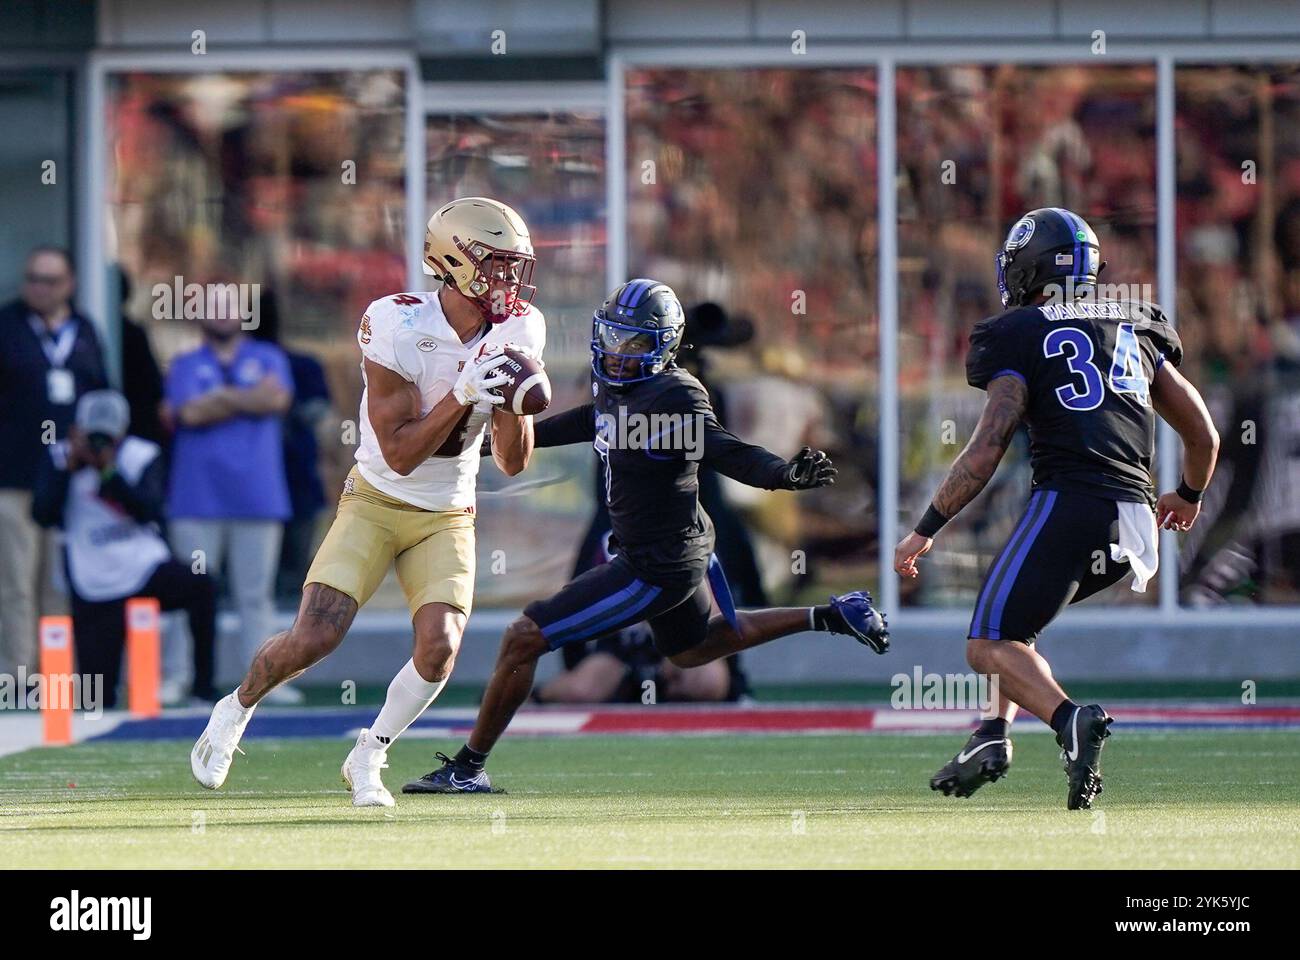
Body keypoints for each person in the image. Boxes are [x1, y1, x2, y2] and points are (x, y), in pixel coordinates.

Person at [403, 278, 890, 794]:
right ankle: (831, 614)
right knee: (692, 648)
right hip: (675, 548)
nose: (618, 352)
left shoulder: (673, 394)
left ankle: (468, 766)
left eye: (634, 342)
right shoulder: (619, 387)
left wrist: (782, 475)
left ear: (663, 347)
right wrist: (473, 445)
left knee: (523, 637)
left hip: (656, 563)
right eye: (613, 337)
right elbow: (591, 420)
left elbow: (725, 449)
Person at [190, 197, 544, 807]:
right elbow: (402, 453)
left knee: (440, 649)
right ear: (453, 262)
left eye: (516, 267)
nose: (509, 282)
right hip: (377, 498)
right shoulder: (398, 324)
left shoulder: (520, 326)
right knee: (315, 637)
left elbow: (511, 463)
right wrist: (463, 392)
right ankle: (234, 709)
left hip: (448, 511)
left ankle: (370, 755)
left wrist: (513, 403)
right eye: (496, 266)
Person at [893, 208, 1220, 810]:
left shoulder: (1017, 330)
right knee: (1016, 630)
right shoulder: (1135, 320)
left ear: (1029, 268)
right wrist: (1190, 495)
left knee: (987, 643)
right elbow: (1203, 434)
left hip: (1072, 500)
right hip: (1135, 519)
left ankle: (1071, 719)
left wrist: (926, 529)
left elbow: (987, 447)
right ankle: (990, 736)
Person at [32, 390, 217, 707]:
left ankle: (203, 687)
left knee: (202, 585)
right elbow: (42, 514)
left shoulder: (141, 455)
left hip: (143, 565)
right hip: (93, 580)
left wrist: (109, 472)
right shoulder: (60, 457)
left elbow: (150, 510)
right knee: (98, 697)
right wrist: (68, 470)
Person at [164, 277, 297, 701]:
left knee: (254, 596)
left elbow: (275, 402)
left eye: (229, 306)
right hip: (196, 497)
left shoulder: (269, 356)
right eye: (212, 306)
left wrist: (217, 400)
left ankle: (264, 681)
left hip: (258, 496)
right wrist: (246, 398)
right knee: (188, 591)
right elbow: (187, 414)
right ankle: (179, 675)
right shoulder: (183, 363)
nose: (222, 313)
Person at [0, 247, 108, 676]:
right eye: (32, 278)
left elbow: (101, 392)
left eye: (48, 280)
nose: (38, 288)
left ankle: (59, 674)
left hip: (71, 478)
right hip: (14, 476)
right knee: (16, 582)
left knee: (59, 583)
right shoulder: (7, 326)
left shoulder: (84, 329)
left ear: (69, 284)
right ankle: (19, 674)